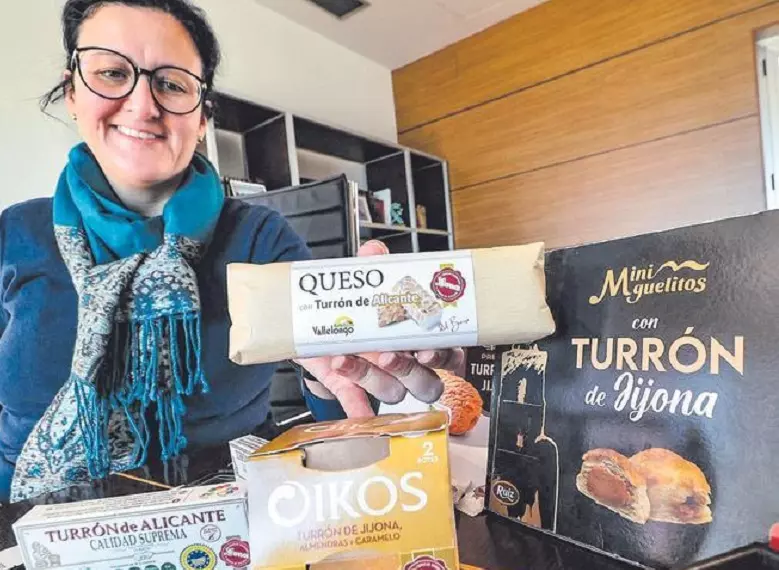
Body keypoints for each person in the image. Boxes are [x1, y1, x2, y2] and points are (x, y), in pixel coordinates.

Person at [0, 0, 464, 503]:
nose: (142, 104)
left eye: (172, 84)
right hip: (27, 518)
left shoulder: (260, 237)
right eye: (112, 73)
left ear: (203, 117)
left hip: (230, 508)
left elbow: (336, 398)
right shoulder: (15, 233)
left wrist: (345, 368)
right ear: (72, 92)